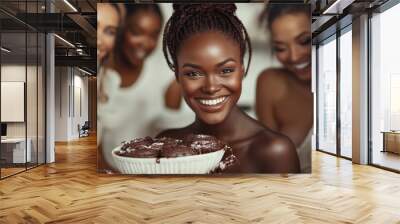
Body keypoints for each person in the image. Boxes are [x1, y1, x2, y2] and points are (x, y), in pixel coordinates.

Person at [158, 3, 300, 173]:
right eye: (193, 74)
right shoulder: (166, 143)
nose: (211, 87)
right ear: (177, 77)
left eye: (225, 70)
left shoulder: (274, 151)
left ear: (242, 70)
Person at [98, 4, 163, 171]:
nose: (145, 43)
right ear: (122, 30)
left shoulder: (166, 79)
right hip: (110, 173)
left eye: (154, 35)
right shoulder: (103, 75)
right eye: (136, 32)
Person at [255, 4, 312, 172]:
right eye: (280, 48)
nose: (294, 56)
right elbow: (267, 165)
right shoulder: (271, 83)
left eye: (305, 41)